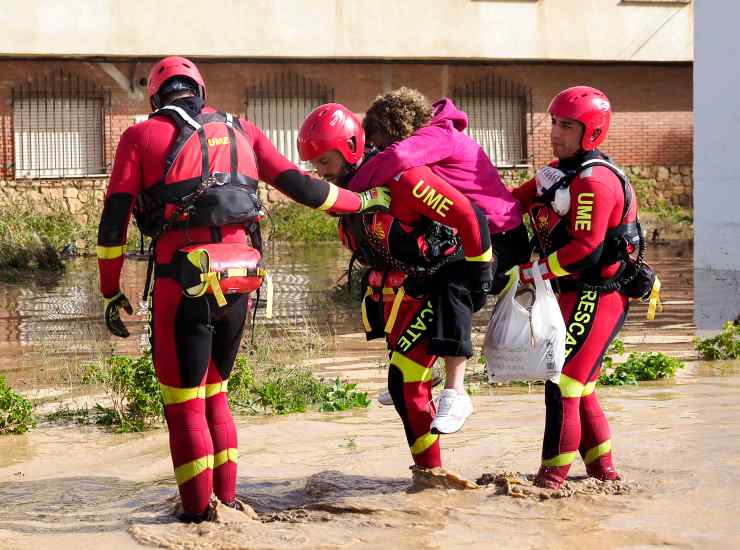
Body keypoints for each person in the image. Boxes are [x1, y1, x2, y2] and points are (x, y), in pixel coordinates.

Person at [96, 56, 391, 522]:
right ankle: (228, 504)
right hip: (240, 282)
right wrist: (364, 200)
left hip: (183, 281)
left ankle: (197, 522)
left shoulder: (139, 136)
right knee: (216, 394)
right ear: (201, 92)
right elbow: (303, 187)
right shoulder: (243, 129)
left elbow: (113, 228)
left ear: (156, 96)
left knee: (184, 403)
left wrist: (110, 291)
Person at [298, 103, 493, 478]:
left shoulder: (405, 180)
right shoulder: (347, 189)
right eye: (315, 165)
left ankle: (432, 476)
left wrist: (480, 274)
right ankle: (430, 475)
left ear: (351, 148)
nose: (320, 172)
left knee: (406, 383)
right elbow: (303, 189)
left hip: (439, 279)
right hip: (401, 289)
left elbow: (469, 216)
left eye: (324, 162)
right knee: (402, 386)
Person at [349, 88, 529, 432]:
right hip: (469, 235)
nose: (374, 152)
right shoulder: (433, 135)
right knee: (420, 279)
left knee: (454, 284)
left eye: (376, 143)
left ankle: (456, 391)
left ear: (393, 130)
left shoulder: (439, 134)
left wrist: (348, 193)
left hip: (501, 236)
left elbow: (397, 159)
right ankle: (419, 373)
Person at [511, 85, 651, 489]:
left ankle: (550, 483)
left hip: (601, 293)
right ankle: (605, 477)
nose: (555, 132)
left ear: (591, 132)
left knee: (563, 384)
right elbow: (510, 204)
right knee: (582, 384)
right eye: (554, 122)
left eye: (567, 126)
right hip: (571, 292)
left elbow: (586, 250)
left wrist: (535, 272)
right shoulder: (555, 172)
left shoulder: (595, 182)